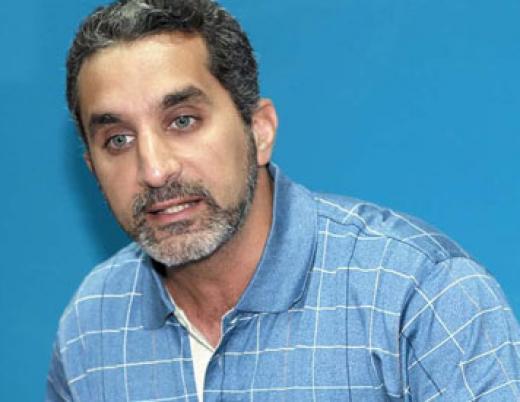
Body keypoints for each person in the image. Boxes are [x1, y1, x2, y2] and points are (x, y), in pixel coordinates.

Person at [47, 0, 520, 400]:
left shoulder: (420, 295)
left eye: (183, 120)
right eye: (118, 140)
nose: (153, 170)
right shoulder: (92, 325)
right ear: (93, 168)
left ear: (259, 131)